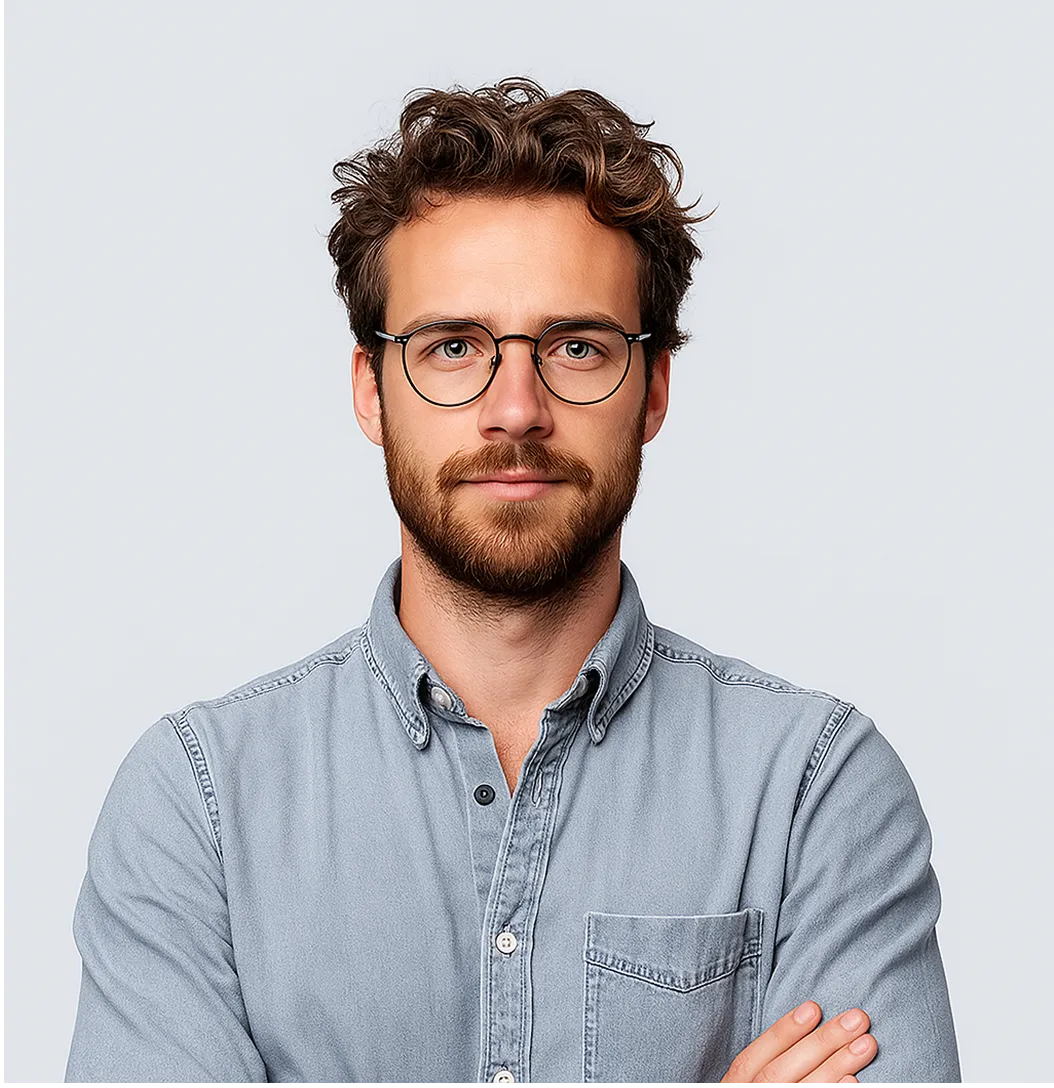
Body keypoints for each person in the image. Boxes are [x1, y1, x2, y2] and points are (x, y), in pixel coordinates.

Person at [64, 78, 961, 1085]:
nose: (517, 407)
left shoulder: (812, 789)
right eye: (455, 347)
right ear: (372, 388)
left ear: (654, 387)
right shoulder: (200, 804)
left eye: (577, 346)